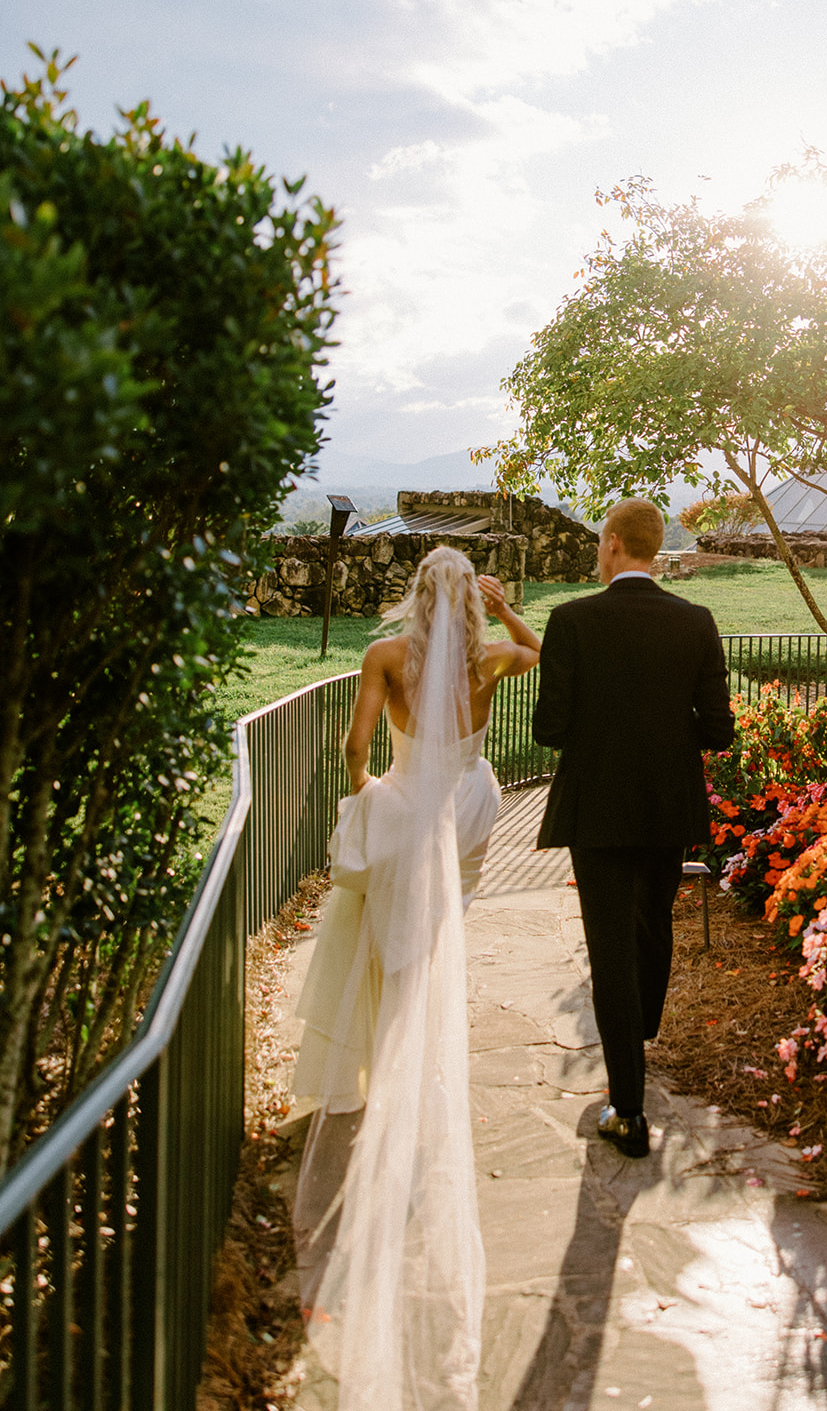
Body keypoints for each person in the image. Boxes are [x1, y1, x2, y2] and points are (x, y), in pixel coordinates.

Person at [291, 546, 540, 1411]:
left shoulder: (385, 658)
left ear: (413, 594)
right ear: (471, 597)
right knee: (437, 938)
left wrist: (374, 806)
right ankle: (419, 1063)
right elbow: (540, 652)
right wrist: (506, 610)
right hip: (466, 810)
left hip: (405, 810)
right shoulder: (492, 658)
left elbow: (355, 744)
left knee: (386, 942)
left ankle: (383, 1060)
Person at [531, 498, 735, 1159]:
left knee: (610, 948)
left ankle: (628, 1104)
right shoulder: (696, 621)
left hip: (597, 809)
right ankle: (637, 1039)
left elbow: (551, 730)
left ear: (614, 544)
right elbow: (718, 730)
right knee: (652, 925)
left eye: (600, 543)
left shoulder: (571, 620)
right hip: (668, 804)